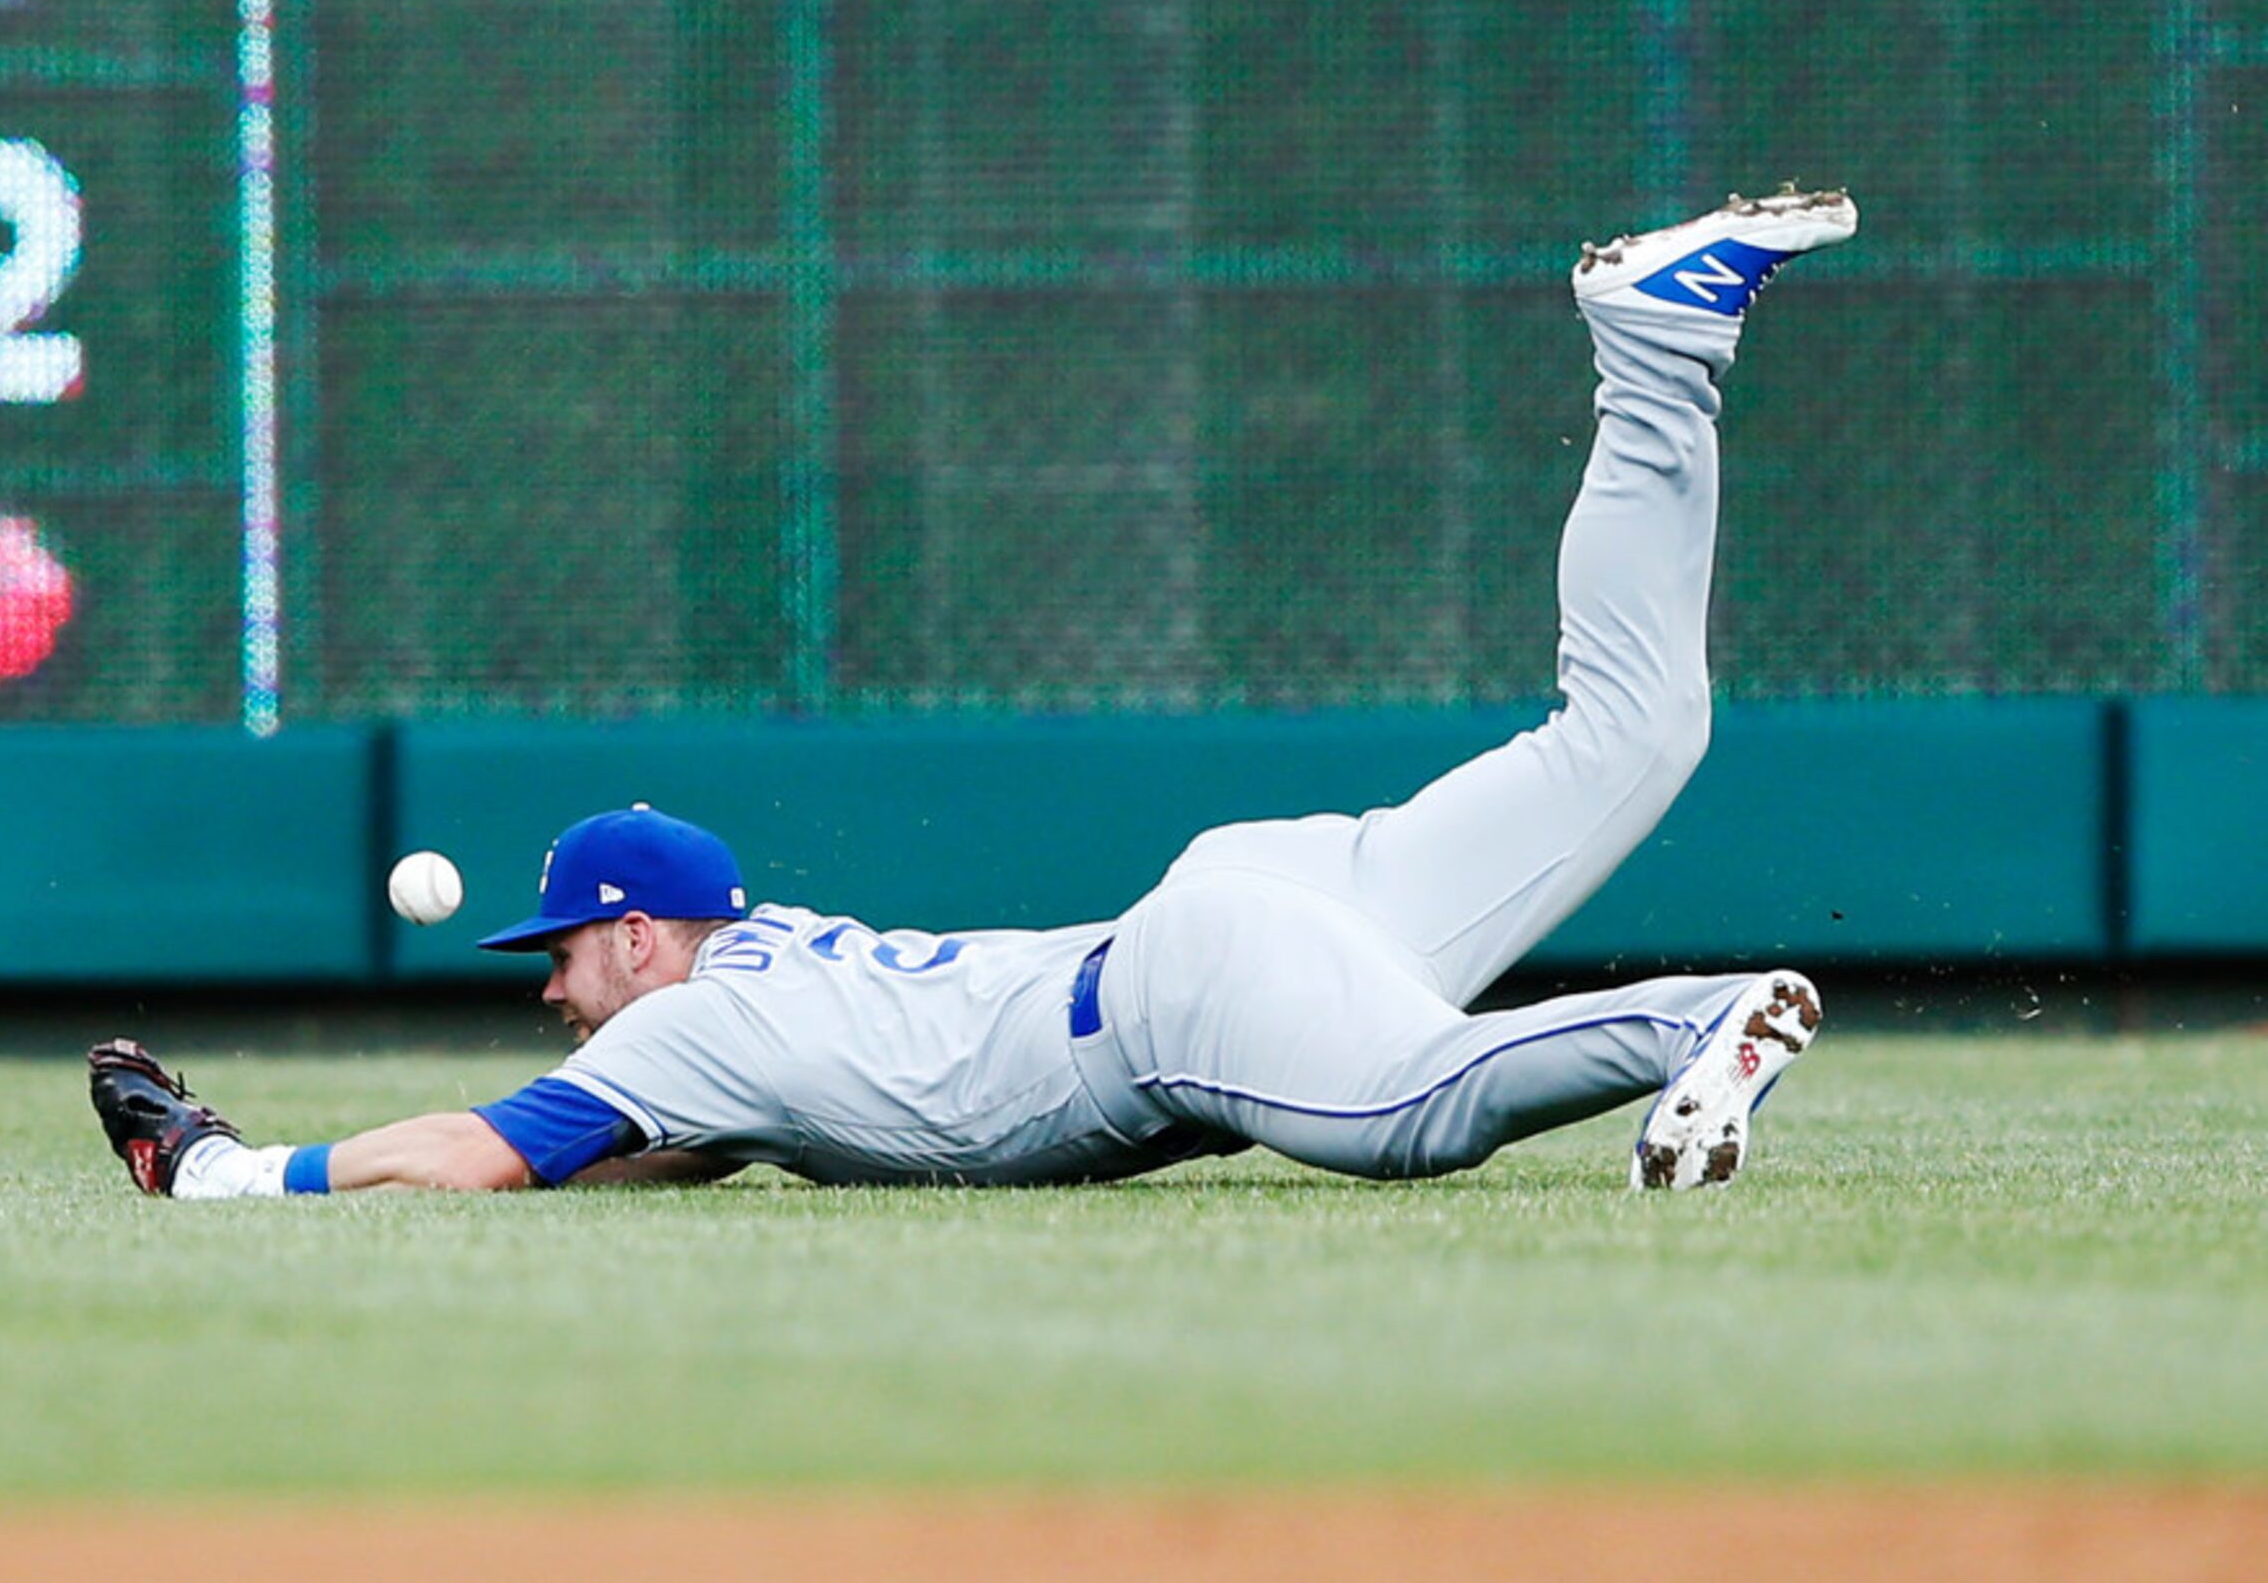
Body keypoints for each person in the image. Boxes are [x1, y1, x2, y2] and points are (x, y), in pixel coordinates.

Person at [90, 187, 1855, 1201]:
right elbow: (625, 1156)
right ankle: (1657, 347)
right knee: (1633, 731)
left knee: (1409, 1113)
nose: (549, 986)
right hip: (1259, 902)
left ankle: (1699, 1018)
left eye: (559, 950)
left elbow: (482, 1151)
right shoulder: (737, 1024)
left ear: (637, 936)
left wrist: (234, 1173)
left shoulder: (689, 1027)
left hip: (1182, 996)